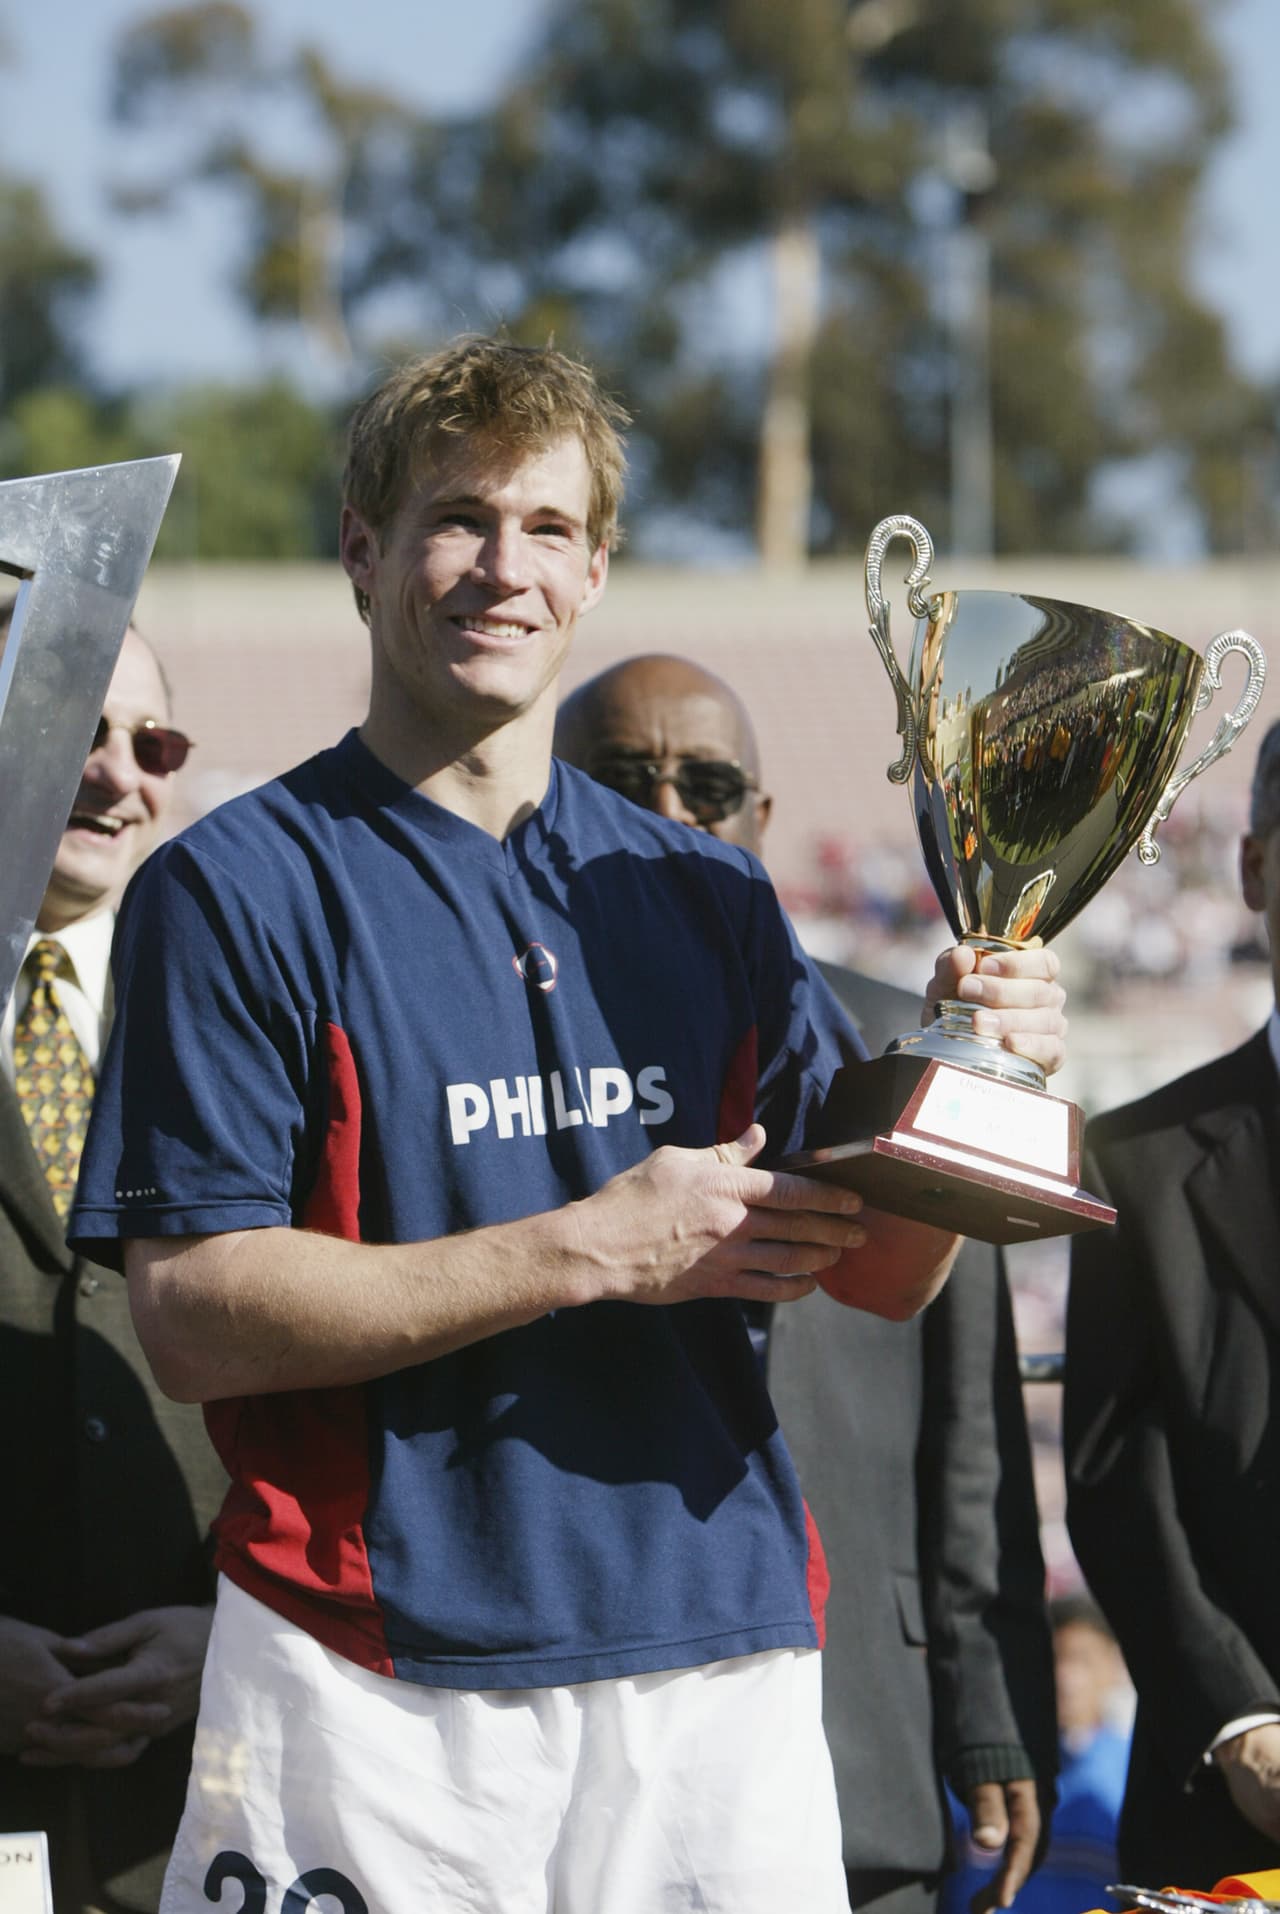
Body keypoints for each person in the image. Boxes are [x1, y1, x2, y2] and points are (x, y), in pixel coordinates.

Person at [69, 336, 1069, 1914]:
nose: (500, 568)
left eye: (545, 529)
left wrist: (971, 1069)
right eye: (456, 518)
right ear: (361, 548)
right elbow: (191, 1316)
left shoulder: (711, 890)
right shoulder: (236, 886)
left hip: (719, 1657)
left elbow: (884, 1272)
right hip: (373, 1668)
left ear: (597, 568)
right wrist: (583, 1250)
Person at [556, 652, 1058, 1914]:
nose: (669, 812)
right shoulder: (499, 1050)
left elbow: (969, 1407)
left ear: (760, 819)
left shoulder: (893, 1042)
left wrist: (991, 1707)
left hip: (863, 1732)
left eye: (708, 783)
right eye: (621, 779)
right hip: (577, 1711)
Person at [0, 611, 227, 1914]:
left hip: (200, 1780)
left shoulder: (247, 1024)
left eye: (153, 739)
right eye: (76, 731)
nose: (117, 773)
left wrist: (232, 1627)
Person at [1065, 714, 1280, 1884]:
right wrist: (1240, 1721)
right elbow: (1114, 1482)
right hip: (1223, 1810)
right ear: (1252, 868)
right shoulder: (1135, 1162)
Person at [942, 1596, 1129, 1914]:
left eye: (1082, 1659)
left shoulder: (1130, 1776)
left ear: (1113, 1666)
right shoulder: (981, 1767)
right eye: (1055, 1659)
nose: (1066, 1677)